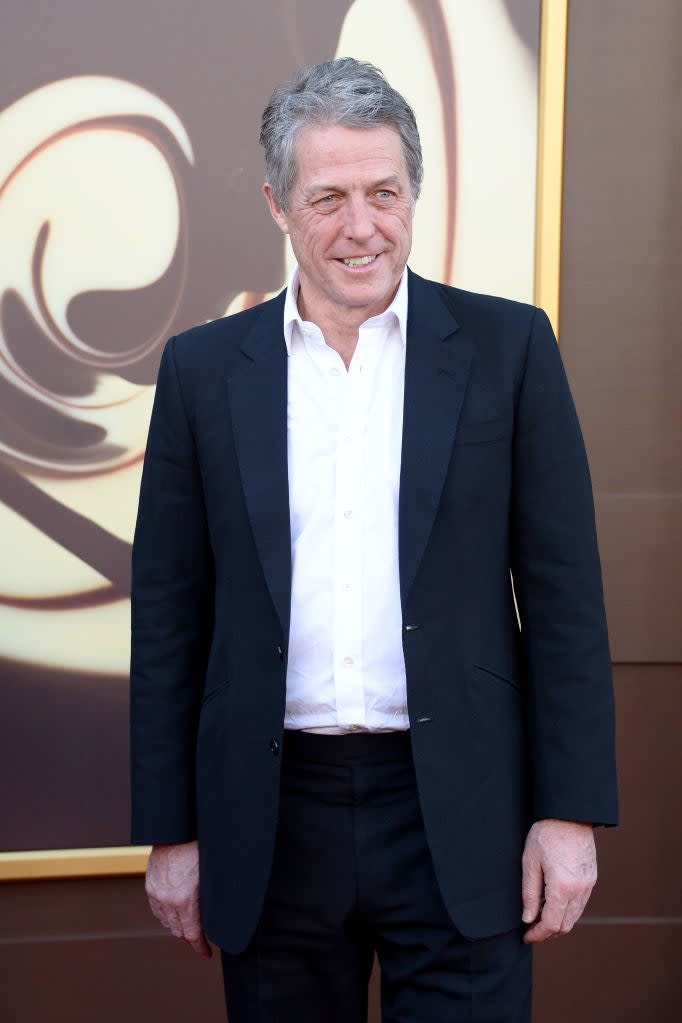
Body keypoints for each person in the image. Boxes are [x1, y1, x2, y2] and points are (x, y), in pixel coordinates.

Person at [130, 57, 618, 1022]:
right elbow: (169, 615)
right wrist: (171, 830)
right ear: (277, 204)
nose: (362, 226)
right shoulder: (200, 373)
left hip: (463, 813)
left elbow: (564, 595)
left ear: (414, 193)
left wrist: (567, 813)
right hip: (271, 819)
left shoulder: (509, 350)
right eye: (330, 198)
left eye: (384, 193)